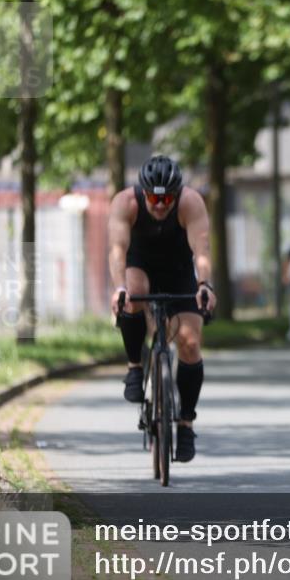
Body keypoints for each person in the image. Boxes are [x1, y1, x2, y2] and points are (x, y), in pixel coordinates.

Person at [108, 155, 217, 463]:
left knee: (190, 343)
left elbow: (202, 248)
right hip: (139, 266)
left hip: (179, 271)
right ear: (143, 194)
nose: (160, 204)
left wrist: (205, 284)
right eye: (154, 198)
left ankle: (185, 423)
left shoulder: (190, 203)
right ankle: (134, 366)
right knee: (134, 293)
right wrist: (118, 287)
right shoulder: (125, 203)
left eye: (167, 198)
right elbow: (117, 250)